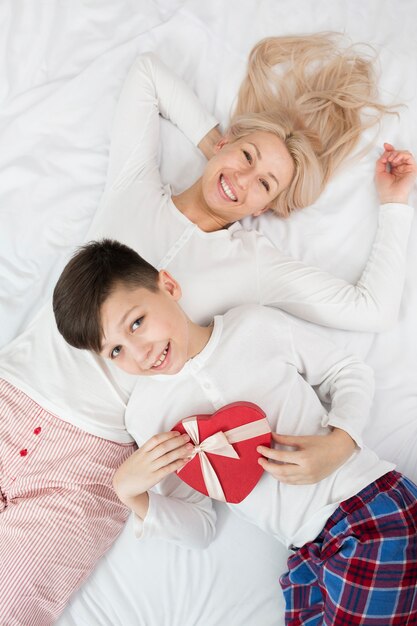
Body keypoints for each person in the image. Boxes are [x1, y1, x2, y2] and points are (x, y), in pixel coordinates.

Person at [1, 34, 416, 623]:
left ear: (268, 208)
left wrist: (396, 207)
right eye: (245, 156)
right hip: (11, 396)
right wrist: (211, 138)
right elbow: (147, 76)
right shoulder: (136, 190)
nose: (243, 180)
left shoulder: (255, 269)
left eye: (264, 184)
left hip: (93, 464)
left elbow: (371, 310)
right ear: (223, 145)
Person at [54, 238, 417, 625]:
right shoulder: (147, 418)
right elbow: (200, 527)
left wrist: (340, 444)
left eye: (137, 323)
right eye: (115, 352)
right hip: (306, 556)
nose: (138, 352)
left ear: (169, 286)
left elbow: (347, 371)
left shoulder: (254, 326)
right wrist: (131, 493)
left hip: (366, 510)